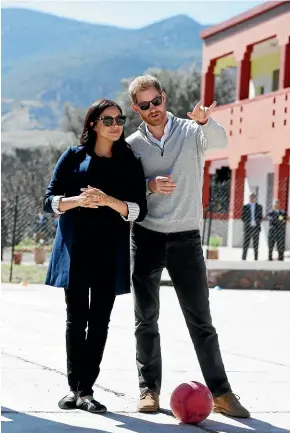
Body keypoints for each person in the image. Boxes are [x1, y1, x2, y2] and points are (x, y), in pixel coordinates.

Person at [126, 75, 250, 418]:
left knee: (201, 321)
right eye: (145, 105)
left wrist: (205, 121)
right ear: (137, 108)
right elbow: (127, 188)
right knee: (145, 319)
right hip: (146, 236)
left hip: (186, 238)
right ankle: (148, 388)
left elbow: (222, 142)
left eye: (157, 101)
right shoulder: (133, 144)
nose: (153, 109)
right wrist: (149, 184)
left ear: (164, 98)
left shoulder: (191, 130)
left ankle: (222, 393)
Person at [43, 99, 147, 414]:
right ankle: (73, 390)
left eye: (120, 119)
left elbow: (139, 209)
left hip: (109, 251)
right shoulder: (73, 157)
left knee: (99, 321)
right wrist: (77, 201)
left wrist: (108, 200)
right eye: (108, 120)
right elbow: (49, 201)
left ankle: (87, 391)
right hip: (74, 250)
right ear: (93, 124)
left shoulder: (128, 160)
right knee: (75, 321)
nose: (116, 125)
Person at [241, 193, 263, 261]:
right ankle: (244, 258)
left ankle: (256, 258)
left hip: (256, 228)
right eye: (251, 197)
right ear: (249, 198)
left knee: (256, 244)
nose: (252, 199)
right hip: (248, 228)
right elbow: (242, 217)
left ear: (255, 198)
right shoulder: (245, 206)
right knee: (246, 244)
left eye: (253, 197)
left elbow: (261, 217)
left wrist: (256, 221)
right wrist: (248, 221)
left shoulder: (259, 207)